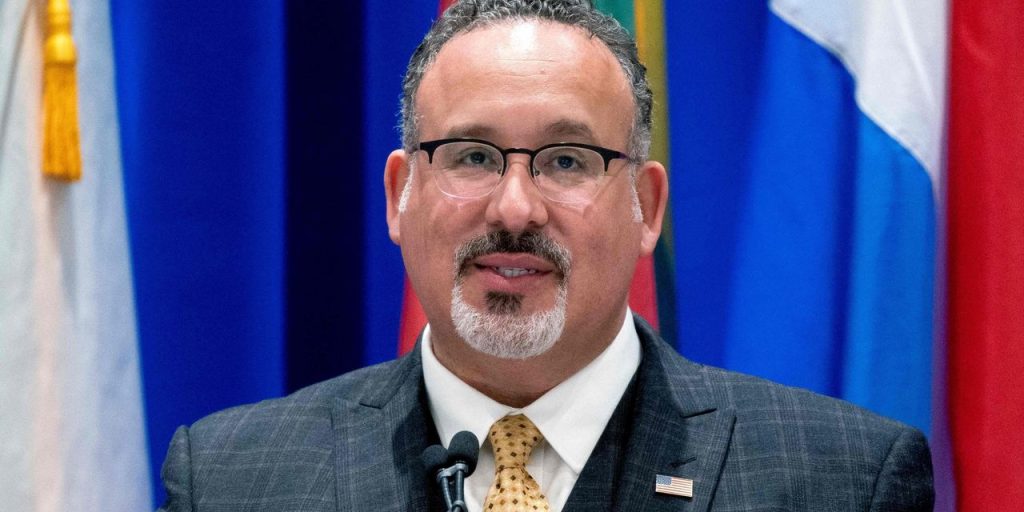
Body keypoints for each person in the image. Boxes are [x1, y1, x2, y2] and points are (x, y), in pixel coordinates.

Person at [157, 1, 934, 510]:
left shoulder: (841, 480)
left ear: (646, 206)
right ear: (399, 196)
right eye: (471, 156)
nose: (515, 208)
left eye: (567, 161)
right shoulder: (232, 480)